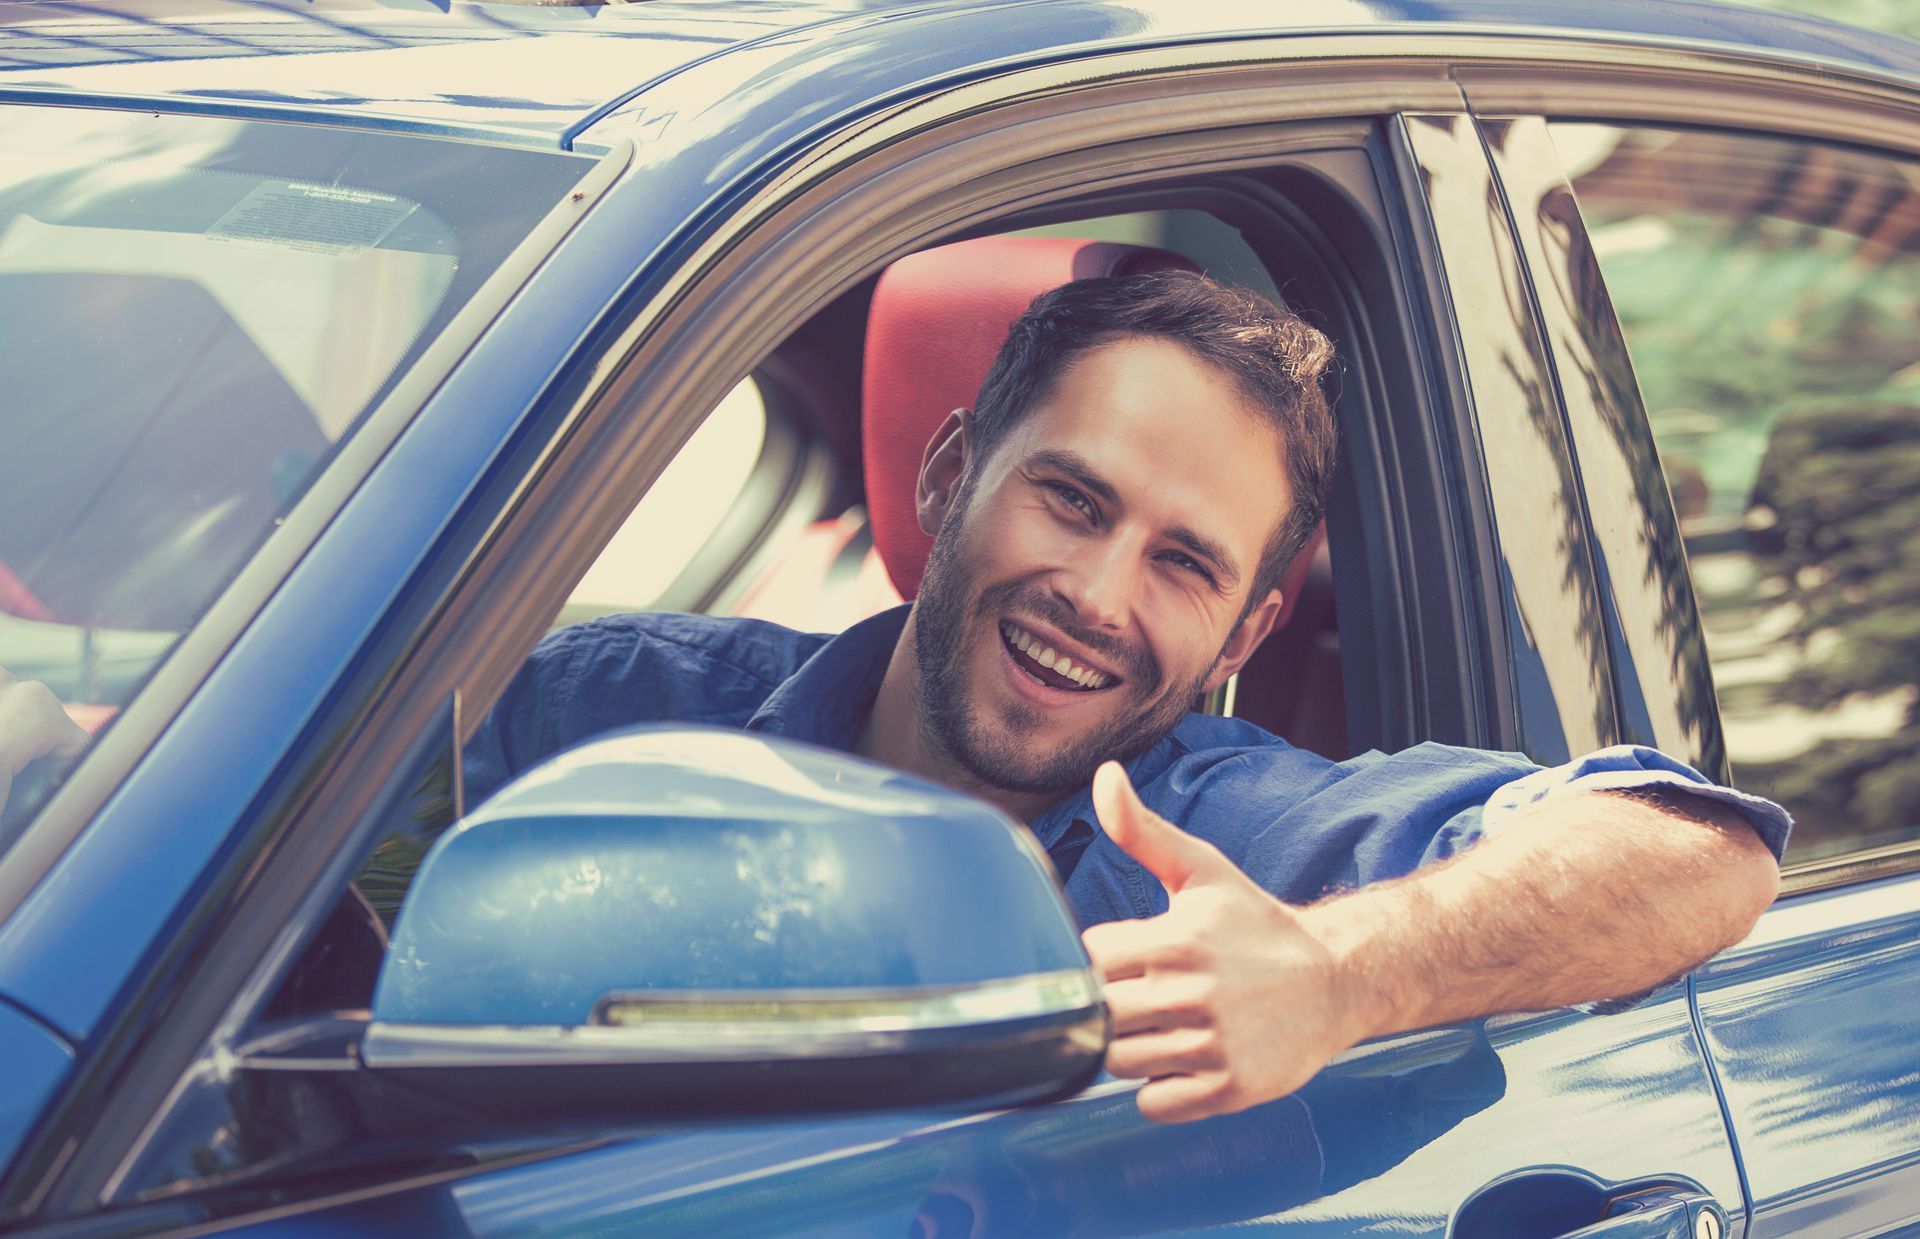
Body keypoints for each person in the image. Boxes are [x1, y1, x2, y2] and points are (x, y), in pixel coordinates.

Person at [0, 272, 1788, 1125]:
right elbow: (305, 856)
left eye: (1182, 563)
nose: (1097, 595)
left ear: (1246, 627)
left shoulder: (1228, 832)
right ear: (948, 478)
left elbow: (1697, 854)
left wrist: (1336, 975)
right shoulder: (609, 710)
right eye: (1069, 499)